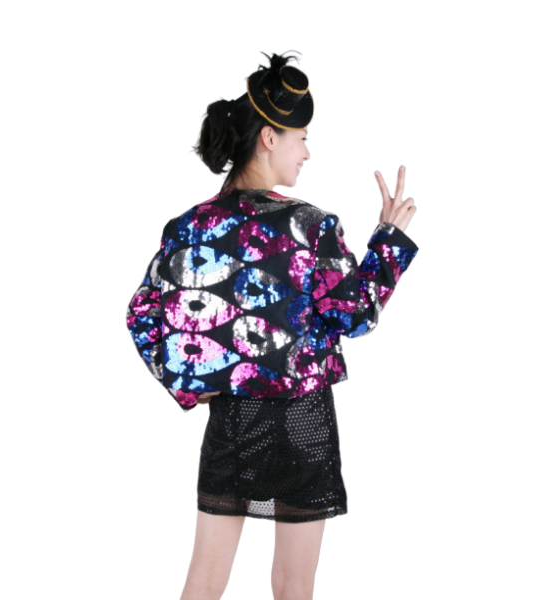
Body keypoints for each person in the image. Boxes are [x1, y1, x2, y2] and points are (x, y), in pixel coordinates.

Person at [125, 49, 419, 600]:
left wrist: (185, 383)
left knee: (203, 580)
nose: (307, 152)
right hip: (303, 424)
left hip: (229, 425)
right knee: (293, 587)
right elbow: (355, 317)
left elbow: (140, 314)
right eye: (301, 138)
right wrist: (388, 243)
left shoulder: (187, 226)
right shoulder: (312, 225)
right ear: (268, 138)